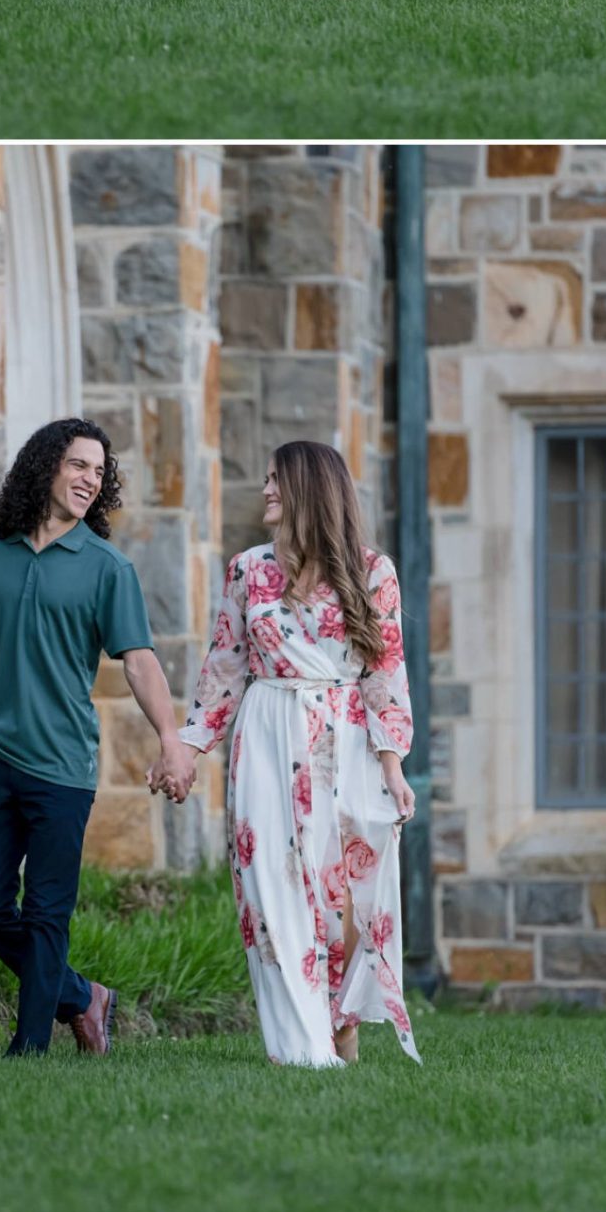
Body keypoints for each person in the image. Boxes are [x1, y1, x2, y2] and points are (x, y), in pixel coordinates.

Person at [150, 440, 421, 1069]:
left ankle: (340, 1019)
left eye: (277, 479)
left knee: (344, 886)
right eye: (267, 478)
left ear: (309, 488)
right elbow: (225, 667)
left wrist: (392, 764)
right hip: (267, 735)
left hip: (345, 739)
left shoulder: (372, 571)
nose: (266, 489)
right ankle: (298, 1043)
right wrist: (186, 746)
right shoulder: (247, 570)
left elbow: (385, 672)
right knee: (270, 885)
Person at [0, 416, 196, 1056]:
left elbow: (138, 661)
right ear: (46, 467)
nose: (90, 479)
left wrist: (171, 740)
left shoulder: (107, 567)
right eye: (78, 465)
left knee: (46, 913)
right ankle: (83, 997)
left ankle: (30, 1048)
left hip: (61, 766)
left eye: (99, 470)